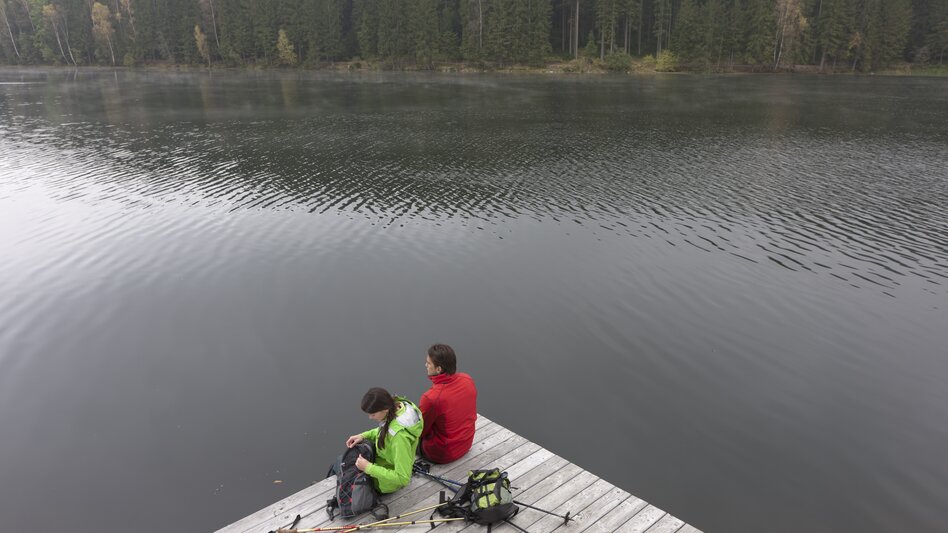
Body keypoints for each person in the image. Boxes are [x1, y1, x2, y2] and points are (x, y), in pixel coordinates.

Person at [345, 387, 424, 494]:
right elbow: (386, 430)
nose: (370, 417)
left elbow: (403, 478)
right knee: (345, 463)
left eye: (373, 414)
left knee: (344, 468)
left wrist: (368, 468)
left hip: (384, 483)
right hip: (381, 460)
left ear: (385, 409)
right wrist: (363, 435)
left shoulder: (399, 438)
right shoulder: (397, 407)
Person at [419, 343, 477, 464]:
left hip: (442, 453)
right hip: (466, 444)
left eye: (429, 363)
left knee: (403, 435)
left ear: (438, 369)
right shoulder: (467, 379)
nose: (426, 365)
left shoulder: (431, 398)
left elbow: (419, 430)